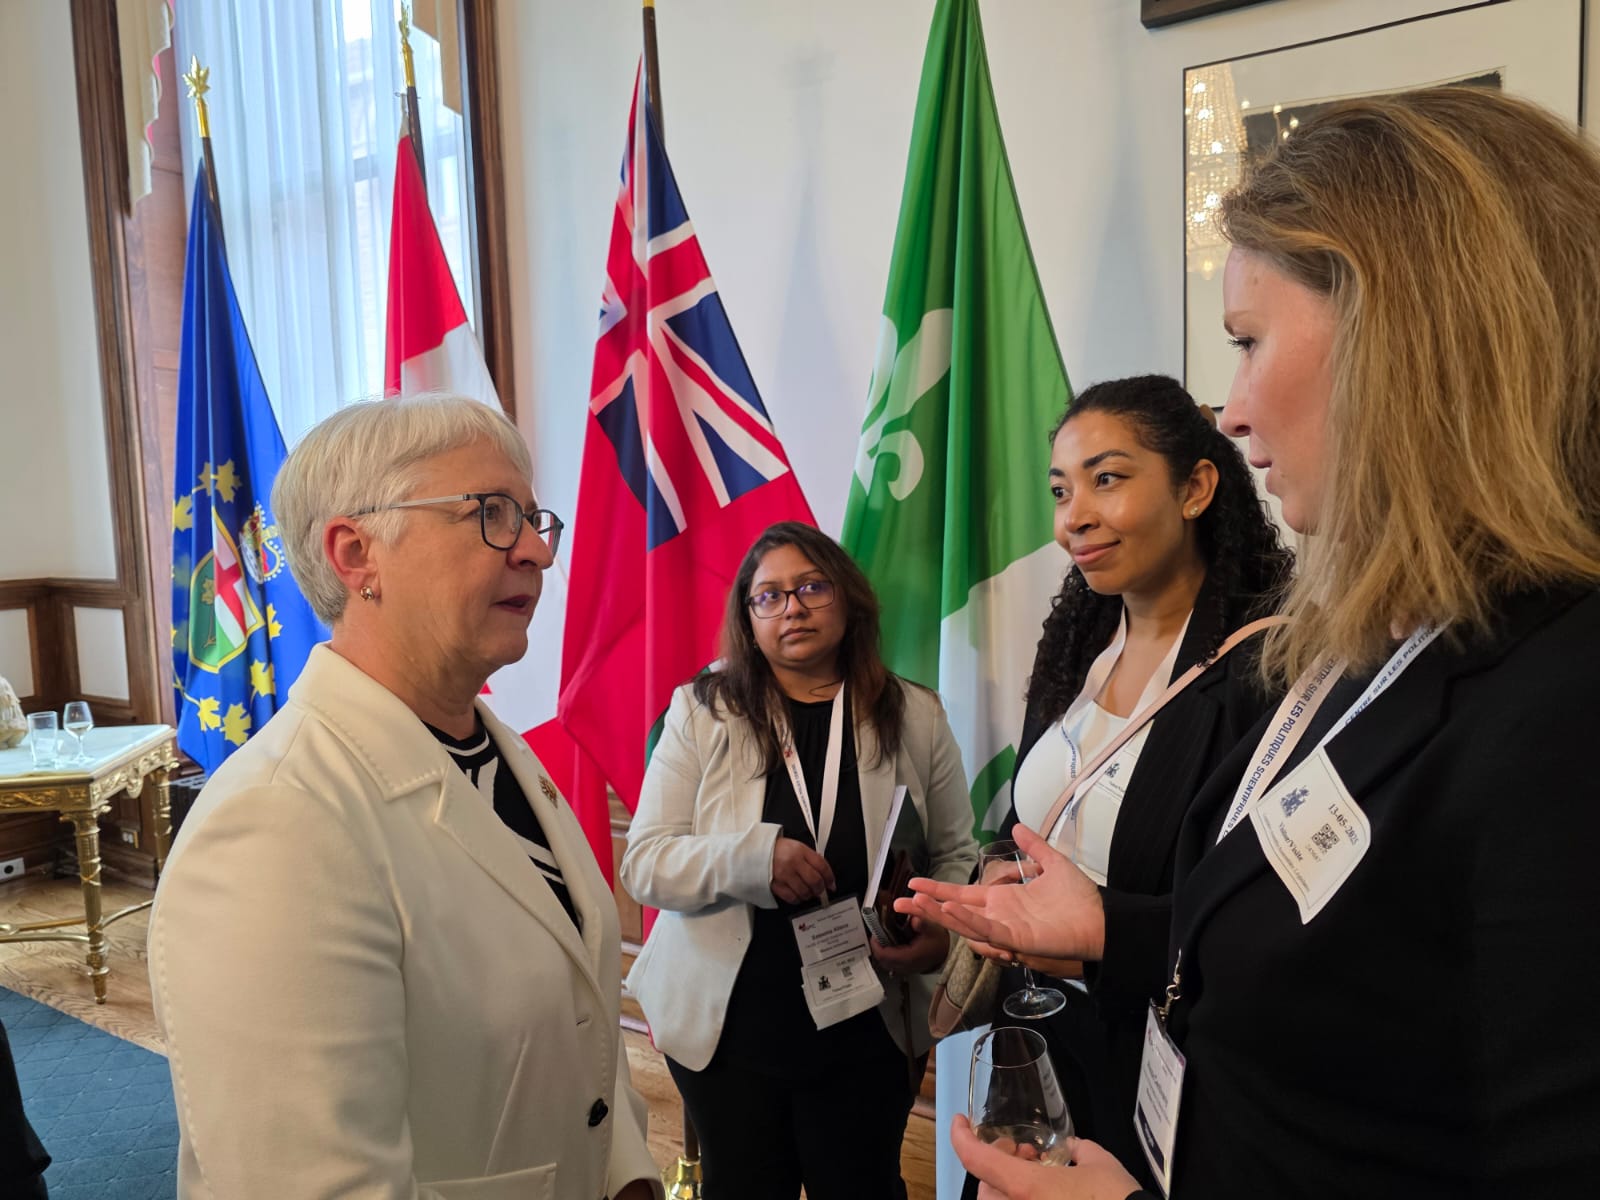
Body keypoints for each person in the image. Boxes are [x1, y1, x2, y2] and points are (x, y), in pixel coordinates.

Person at [904, 85, 1600, 1199]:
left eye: (1248, 342)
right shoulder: (1388, 644)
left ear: (1402, 338)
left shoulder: (1562, 707)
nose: (1229, 412)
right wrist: (1106, 925)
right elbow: (1338, 973)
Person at [148, 395, 660, 1200]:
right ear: (357, 555)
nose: (535, 550)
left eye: (531, 519)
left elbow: (581, 1026)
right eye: (492, 514)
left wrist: (626, 1176)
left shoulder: (503, 756)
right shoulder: (275, 823)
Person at [966, 375, 1290, 1185]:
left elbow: (1264, 919)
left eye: (1106, 479)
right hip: (1038, 1036)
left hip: (1157, 1058)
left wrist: (1100, 933)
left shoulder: (1267, 668)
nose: (1073, 517)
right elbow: (1039, 817)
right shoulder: (1078, 641)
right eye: (1060, 490)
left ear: (1195, 488)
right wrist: (1001, 881)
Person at [621, 521, 979, 1200]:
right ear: (748, 618)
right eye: (770, 596)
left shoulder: (916, 714)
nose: (793, 608)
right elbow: (644, 863)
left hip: (868, 1022)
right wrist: (753, 860)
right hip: (730, 1029)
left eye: (812, 587)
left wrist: (942, 930)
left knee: (864, 1186)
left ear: (848, 600)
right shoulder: (702, 710)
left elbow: (959, 852)